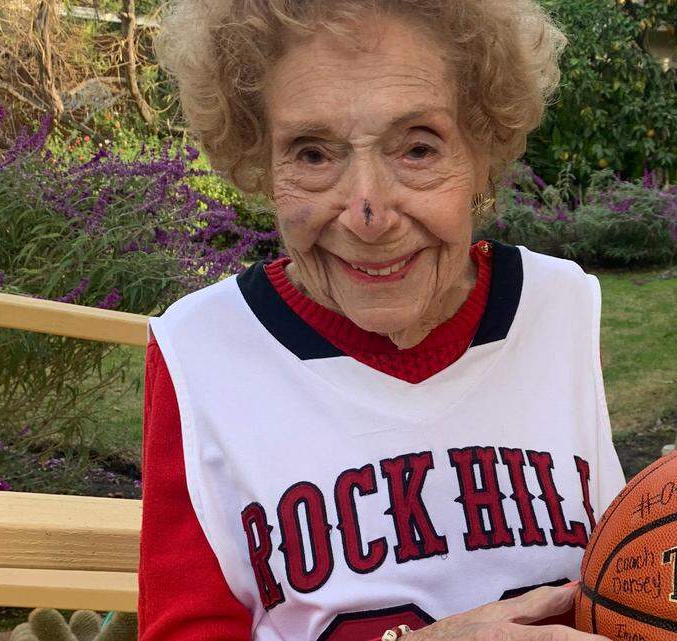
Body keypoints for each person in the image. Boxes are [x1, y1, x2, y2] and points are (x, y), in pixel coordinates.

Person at [141, 1, 625, 640]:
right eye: (313, 154)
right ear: (259, 160)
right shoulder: (200, 351)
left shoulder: (559, 308)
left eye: (418, 148)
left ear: (483, 148)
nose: (368, 213)